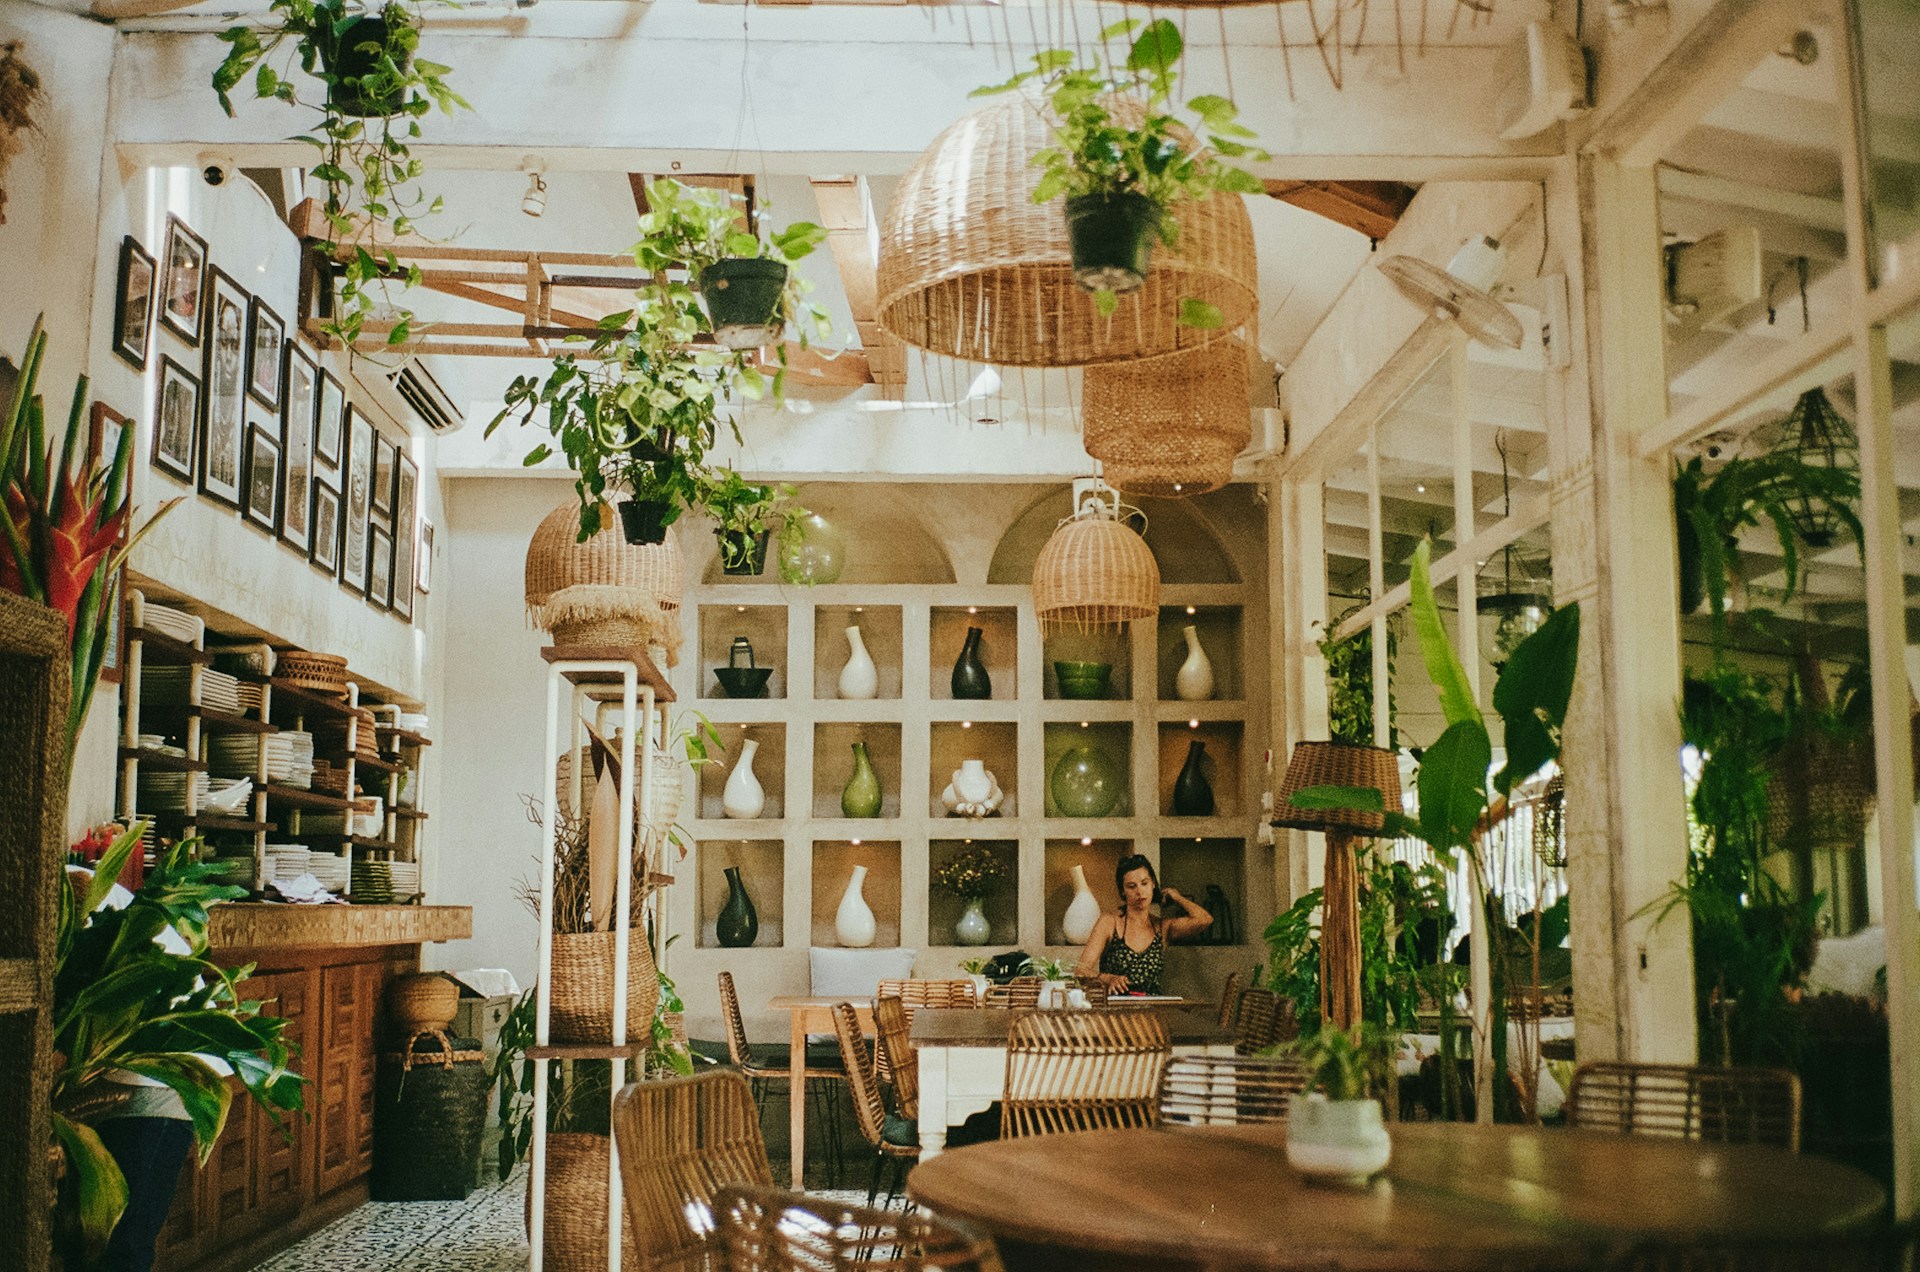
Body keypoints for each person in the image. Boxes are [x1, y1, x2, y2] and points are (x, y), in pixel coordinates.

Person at [1073, 854, 1211, 995]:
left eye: (1144, 883)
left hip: (1153, 1011)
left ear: (1153, 885)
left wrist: (1176, 897)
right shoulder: (1109, 922)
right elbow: (1080, 972)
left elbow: (1204, 919)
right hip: (1115, 1012)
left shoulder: (1162, 928)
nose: (1139, 891)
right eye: (1132, 886)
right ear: (1123, 891)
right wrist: (1107, 978)